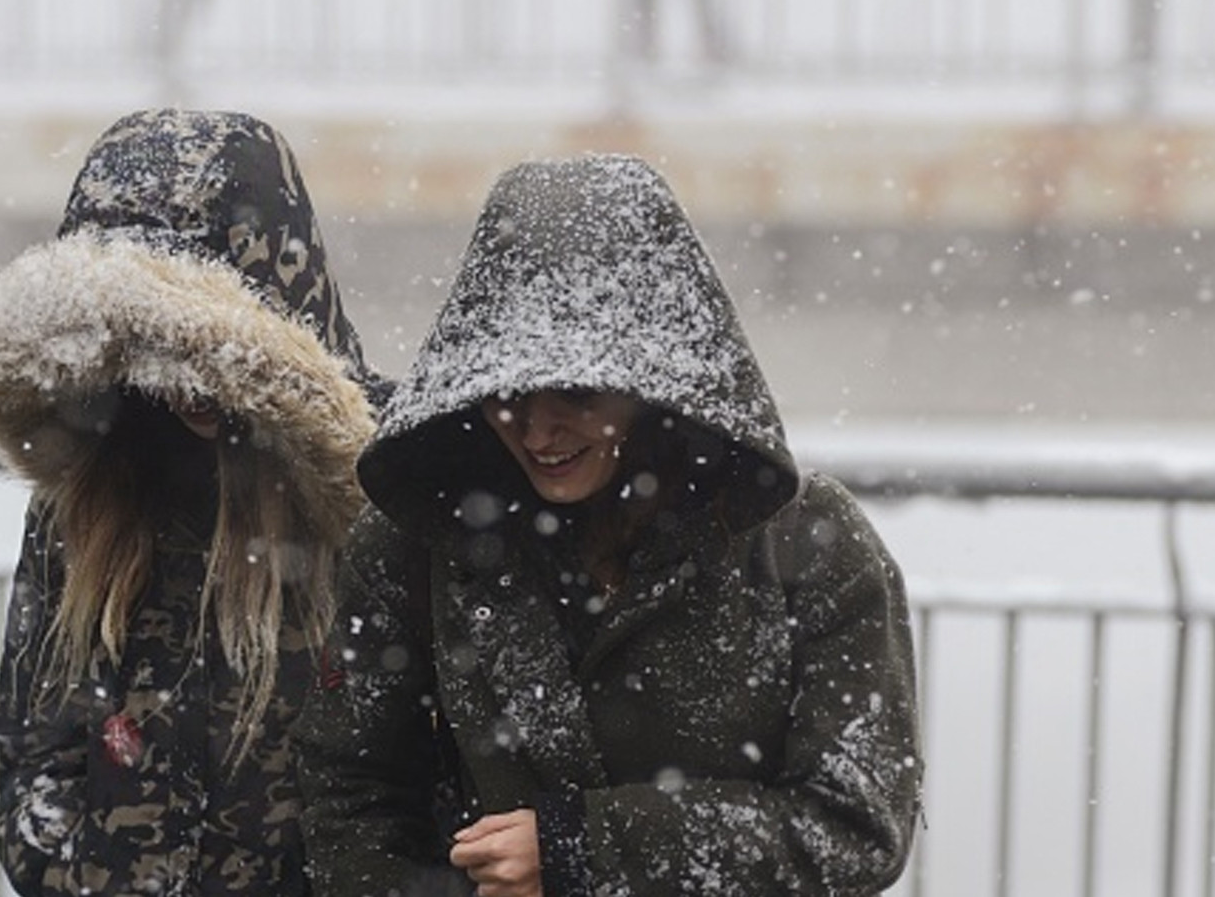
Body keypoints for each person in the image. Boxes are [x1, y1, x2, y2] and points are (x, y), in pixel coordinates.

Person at [296, 154, 922, 896]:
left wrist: (582, 851)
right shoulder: (414, 543)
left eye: (575, 393)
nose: (537, 430)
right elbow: (352, 792)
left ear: (656, 384)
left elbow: (855, 826)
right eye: (503, 396)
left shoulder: (812, 546)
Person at [0, 108, 379, 896]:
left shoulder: (377, 492)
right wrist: (79, 873)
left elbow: (420, 776)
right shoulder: (90, 490)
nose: (187, 381)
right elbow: (31, 744)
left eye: (205, 348)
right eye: (155, 346)